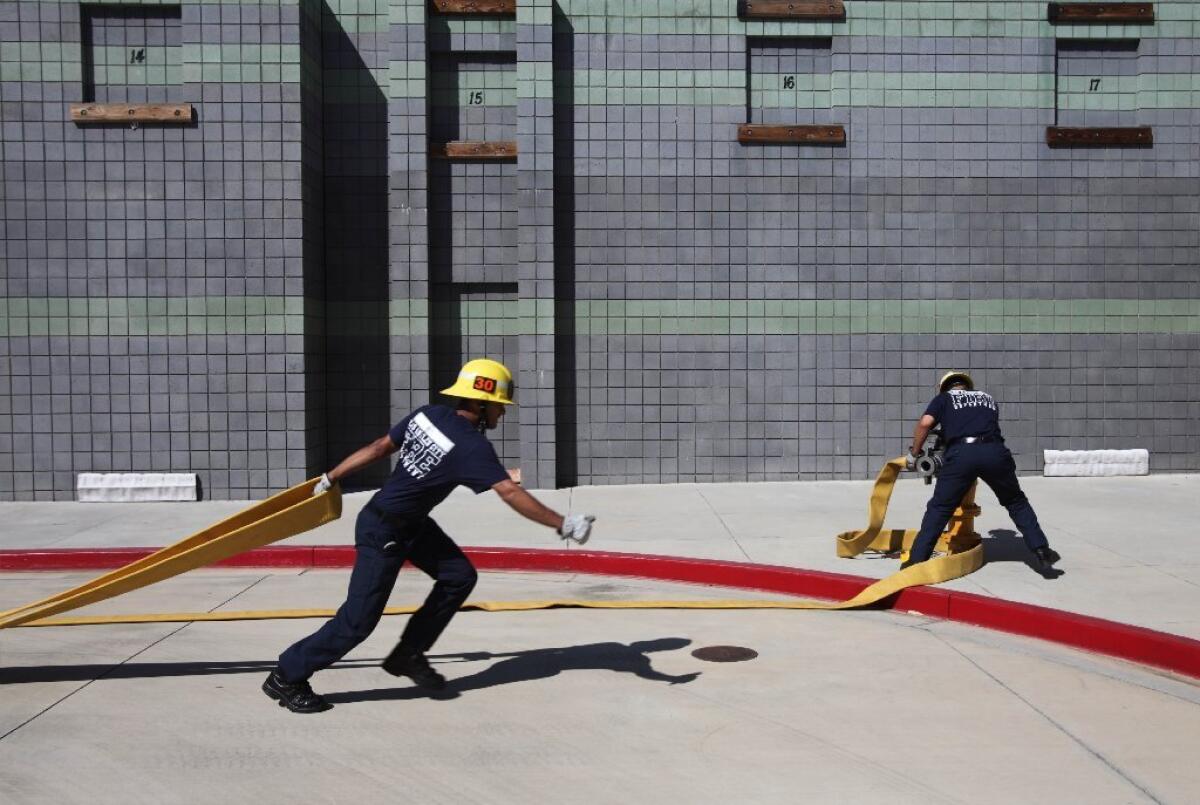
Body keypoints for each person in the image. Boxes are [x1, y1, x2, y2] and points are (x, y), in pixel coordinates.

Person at [263, 358, 596, 713]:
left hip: (405, 522)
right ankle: (287, 675)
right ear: (481, 402)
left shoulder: (428, 415)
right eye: (500, 405)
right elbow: (510, 492)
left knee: (458, 576)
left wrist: (331, 476)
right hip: (385, 531)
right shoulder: (471, 447)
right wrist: (563, 524)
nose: (502, 413)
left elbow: (379, 447)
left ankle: (407, 655)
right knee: (357, 622)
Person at [902, 371, 1060, 572]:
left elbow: (925, 423)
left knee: (940, 508)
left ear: (945, 387)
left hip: (962, 455)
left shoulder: (944, 398)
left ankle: (916, 562)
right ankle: (1041, 550)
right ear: (967, 385)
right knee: (1015, 501)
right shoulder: (988, 399)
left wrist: (914, 454)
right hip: (995, 452)